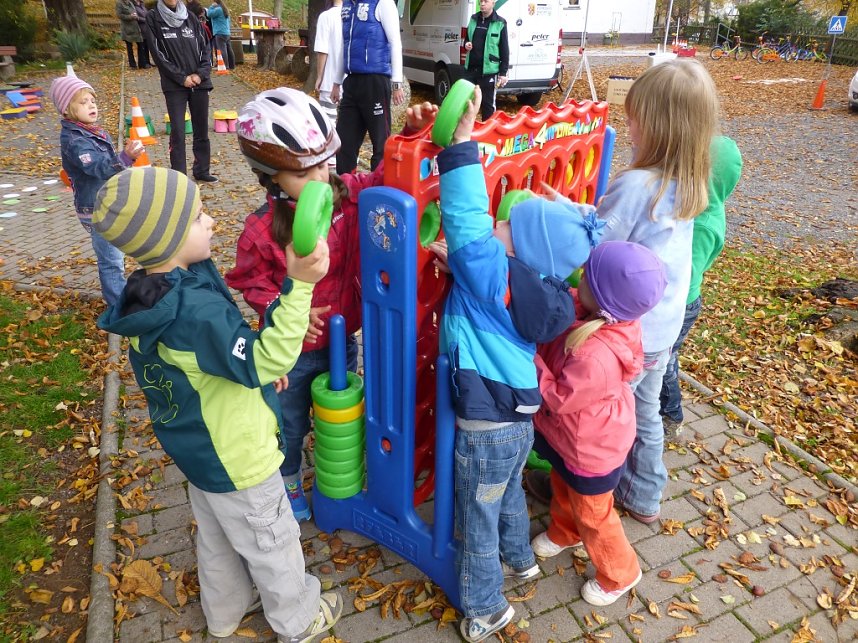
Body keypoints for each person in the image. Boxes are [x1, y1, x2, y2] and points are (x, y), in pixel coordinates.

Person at [93, 166, 343, 643]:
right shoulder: (193, 310)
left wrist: (250, 362)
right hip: (240, 459)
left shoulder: (153, 293)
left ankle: (224, 616)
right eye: (200, 217)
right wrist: (299, 287)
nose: (212, 223)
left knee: (218, 541)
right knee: (274, 543)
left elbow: (216, 357)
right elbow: (261, 357)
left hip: (200, 456)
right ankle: (299, 619)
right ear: (165, 240)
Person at [429, 87, 603, 642]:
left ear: (518, 247)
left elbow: (463, 217)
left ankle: (485, 608)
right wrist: (464, 268)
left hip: (484, 422)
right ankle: (520, 560)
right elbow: (490, 273)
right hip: (518, 418)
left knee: (475, 515)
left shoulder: (494, 271)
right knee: (502, 496)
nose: (496, 224)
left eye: (506, 225)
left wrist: (461, 145)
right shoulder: (547, 291)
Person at [225, 88, 438, 521]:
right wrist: (280, 309)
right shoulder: (262, 230)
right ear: (271, 177)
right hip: (291, 354)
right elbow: (249, 280)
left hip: (345, 338)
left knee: (338, 412)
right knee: (289, 421)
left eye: (323, 164)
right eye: (304, 173)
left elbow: (385, 178)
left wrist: (410, 133)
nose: (321, 178)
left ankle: (338, 471)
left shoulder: (350, 195)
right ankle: (287, 475)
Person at [596, 59, 719, 524]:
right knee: (644, 410)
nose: (627, 124)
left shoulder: (636, 186)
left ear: (659, 126)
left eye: (635, 116)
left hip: (628, 331)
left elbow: (599, 243)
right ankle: (645, 494)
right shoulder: (688, 183)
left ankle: (591, 492)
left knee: (608, 413)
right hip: (663, 328)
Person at [530, 241, 667, 606]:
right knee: (562, 484)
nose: (581, 278)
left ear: (604, 299)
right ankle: (565, 531)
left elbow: (559, 398)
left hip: (591, 449)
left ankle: (620, 572)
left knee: (596, 515)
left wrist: (530, 361)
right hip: (571, 441)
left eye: (588, 277)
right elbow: (571, 295)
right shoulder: (598, 314)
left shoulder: (597, 355)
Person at [660, 136, 742, 435]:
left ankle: (671, 417)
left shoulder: (703, 224)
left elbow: (682, 275)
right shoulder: (695, 210)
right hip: (679, 299)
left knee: (664, 361)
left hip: (680, 302)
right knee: (667, 359)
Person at [50, 74, 144, 306]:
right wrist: (125, 157)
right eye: (83, 102)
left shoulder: (94, 131)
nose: (91, 105)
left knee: (118, 254)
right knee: (110, 261)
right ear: (66, 109)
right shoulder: (75, 140)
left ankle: (124, 296)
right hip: (95, 209)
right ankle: (119, 309)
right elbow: (97, 169)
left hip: (109, 202)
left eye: (92, 100)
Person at [145, 0, 218, 183]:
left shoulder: (190, 17)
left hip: (199, 82)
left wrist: (200, 75)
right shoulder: (153, 18)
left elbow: (205, 49)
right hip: (175, 85)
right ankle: (179, 177)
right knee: (177, 131)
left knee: (201, 130)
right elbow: (158, 55)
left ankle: (202, 170)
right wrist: (181, 78)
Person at [332, 0, 405, 174]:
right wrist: (337, 81)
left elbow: (395, 43)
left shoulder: (383, 3)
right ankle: (346, 188)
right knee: (344, 140)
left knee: (380, 142)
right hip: (352, 81)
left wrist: (396, 82)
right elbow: (345, 45)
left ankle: (379, 188)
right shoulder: (348, 6)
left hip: (375, 81)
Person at [462, 0, 509, 121]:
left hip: (489, 72)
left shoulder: (500, 23)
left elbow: (504, 50)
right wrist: (466, 44)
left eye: (485, 1)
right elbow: (466, 39)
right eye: (480, 1)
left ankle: (488, 134)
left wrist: (503, 73)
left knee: (488, 106)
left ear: (493, 2)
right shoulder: (473, 19)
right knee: (465, 103)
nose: (482, 4)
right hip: (471, 70)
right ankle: (464, 134)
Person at [314, 0, 344, 149]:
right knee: (348, 122)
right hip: (352, 79)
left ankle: (331, 156)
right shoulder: (353, 15)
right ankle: (348, 156)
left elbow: (322, 50)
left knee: (328, 121)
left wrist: (319, 76)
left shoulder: (326, 16)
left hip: (330, 78)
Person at [116, 0, 145, 69]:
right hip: (127, 29)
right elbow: (119, 15)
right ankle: (132, 65)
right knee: (129, 47)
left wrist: (136, 16)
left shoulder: (130, 3)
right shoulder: (119, 3)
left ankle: (142, 63)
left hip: (135, 28)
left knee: (140, 44)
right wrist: (130, 16)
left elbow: (134, 11)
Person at [207, 0, 235, 70]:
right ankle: (232, 65)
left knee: (222, 49)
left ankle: (225, 66)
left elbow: (209, 14)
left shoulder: (218, 10)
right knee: (229, 49)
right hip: (226, 32)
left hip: (220, 32)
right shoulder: (225, 10)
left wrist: (212, 6)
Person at [132, 0, 153, 68]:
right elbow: (136, 17)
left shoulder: (142, 5)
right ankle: (142, 63)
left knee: (147, 46)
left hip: (146, 28)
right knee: (142, 46)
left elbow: (146, 14)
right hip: (139, 29)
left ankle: (148, 62)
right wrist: (145, 19)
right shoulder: (133, 6)